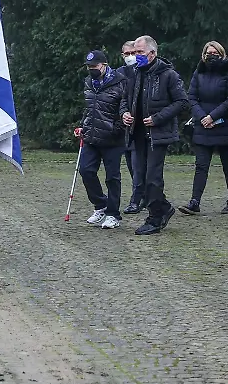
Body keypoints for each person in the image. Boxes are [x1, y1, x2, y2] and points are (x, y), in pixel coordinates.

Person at [121, 35, 189, 235]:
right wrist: (124, 113)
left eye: (139, 52)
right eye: (134, 52)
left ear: (152, 53)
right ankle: (164, 207)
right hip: (137, 133)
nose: (135, 56)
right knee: (140, 177)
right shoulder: (133, 73)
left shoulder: (169, 75)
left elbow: (182, 103)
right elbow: (125, 98)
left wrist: (158, 118)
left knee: (153, 177)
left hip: (158, 133)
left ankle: (155, 219)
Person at [179, 41, 228, 216]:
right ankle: (194, 201)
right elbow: (192, 97)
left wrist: (213, 117)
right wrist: (202, 117)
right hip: (203, 125)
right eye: (208, 52)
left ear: (222, 54)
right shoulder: (199, 73)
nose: (211, 55)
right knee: (201, 165)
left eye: (215, 52)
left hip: (224, 124)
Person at [74, 50, 127, 229]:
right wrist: (83, 125)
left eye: (94, 66)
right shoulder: (88, 82)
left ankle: (113, 214)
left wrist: (116, 129)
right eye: (88, 67)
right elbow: (89, 108)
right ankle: (101, 205)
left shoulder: (121, 82)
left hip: (113, 138)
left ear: (104, 65)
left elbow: (125, 108)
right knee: (86, 170)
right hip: (91, 136)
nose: (91, 70)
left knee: (112, 177)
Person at [116, 40, 144, 213]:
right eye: (126, 54)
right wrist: (123, 112)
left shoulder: (143, 72)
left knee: (138, 165)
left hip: (139, 126)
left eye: (133, 53)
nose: (130, 57)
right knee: (131, 165)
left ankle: (136, 199)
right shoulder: (118, 74)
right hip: (123, 125)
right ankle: (143, 196)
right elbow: (119, 98)